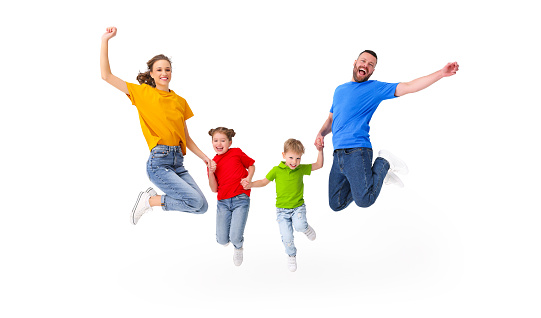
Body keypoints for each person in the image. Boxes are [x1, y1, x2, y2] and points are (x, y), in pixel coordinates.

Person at [315, 50, 459, 212]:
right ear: (355, 62)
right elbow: (331, 120)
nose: (365, 65)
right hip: (337, 154)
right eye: (363, 61)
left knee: (365, 200)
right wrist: (321, 133)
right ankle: (377, 175)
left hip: (357, 151)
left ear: (373, 71)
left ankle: (383, 162)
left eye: (371, 65)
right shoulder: (339, 90)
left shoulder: (374, 88)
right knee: (336, 203)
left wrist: (441, 73)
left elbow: (409, 86)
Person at [100, 26, 214, 225]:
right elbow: (106, 76)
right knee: (194, 201)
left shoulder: (180, 101)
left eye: (167, 69)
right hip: (159, 162)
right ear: (151, 74)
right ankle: (150, 200)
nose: (164, 73)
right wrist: (105, 40)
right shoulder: (143, 93)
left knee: (202, 206)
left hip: (178, 162)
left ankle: (151, 200)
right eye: (159, 69)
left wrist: (205, 158)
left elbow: (186, 138)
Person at [242, 139, 323, 272]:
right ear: (283, 155)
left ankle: (306, 228)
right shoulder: (276, 170)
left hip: (298, 207)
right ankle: (291, 255)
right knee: (287, 237)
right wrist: (251, 185)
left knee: (300, 225)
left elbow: (319, 165)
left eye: (298, 158)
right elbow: (263, 182)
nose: (294, 162)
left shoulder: (301, 169)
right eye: (291, 157)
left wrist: (320, 150)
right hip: (282, 211)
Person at [207, 127, 255, 266]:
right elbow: (213, 189)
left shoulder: (236, 152)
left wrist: (249, 178)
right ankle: (229, 240)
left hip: (241, 199)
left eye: (223, 140)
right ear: (212, 142)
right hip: (223, 202)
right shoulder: (212, 163)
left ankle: (238, 247)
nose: (219, 144)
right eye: (216, 140)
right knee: (222, 240)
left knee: (235, 237)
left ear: (230, 142)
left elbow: (251, 165)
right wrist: (211, 172)